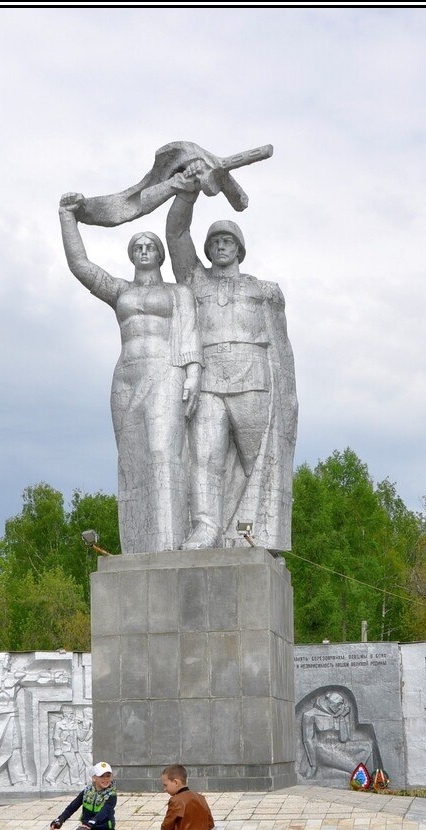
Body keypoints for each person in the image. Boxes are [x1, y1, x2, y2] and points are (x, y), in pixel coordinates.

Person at [60, 192, 202, 553]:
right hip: (126, 375)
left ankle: (169, 543)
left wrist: (193, 375)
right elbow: (81, 266)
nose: (143, 250)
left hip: (165, 370)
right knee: (130, 460)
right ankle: (138, 547)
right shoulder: (119, 291)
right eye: (137, 246)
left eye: (149, 246)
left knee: (162, 453)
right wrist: (67, 218)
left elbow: (189, 335)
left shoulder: (179, 293)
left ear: (159, 254)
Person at [166, 172, 297, 551]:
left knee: (260, 460)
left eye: (228, 241)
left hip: (253, 377)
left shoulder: (265, 290)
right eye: (216, 242)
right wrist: (186, 193)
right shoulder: (195, 280)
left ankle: (254, 535)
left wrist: (285, 398)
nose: (221, 247)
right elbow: (175, 234)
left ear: (239, 249)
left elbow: (281, 348)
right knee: (204, 459)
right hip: (207, 380)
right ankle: (205, 528)